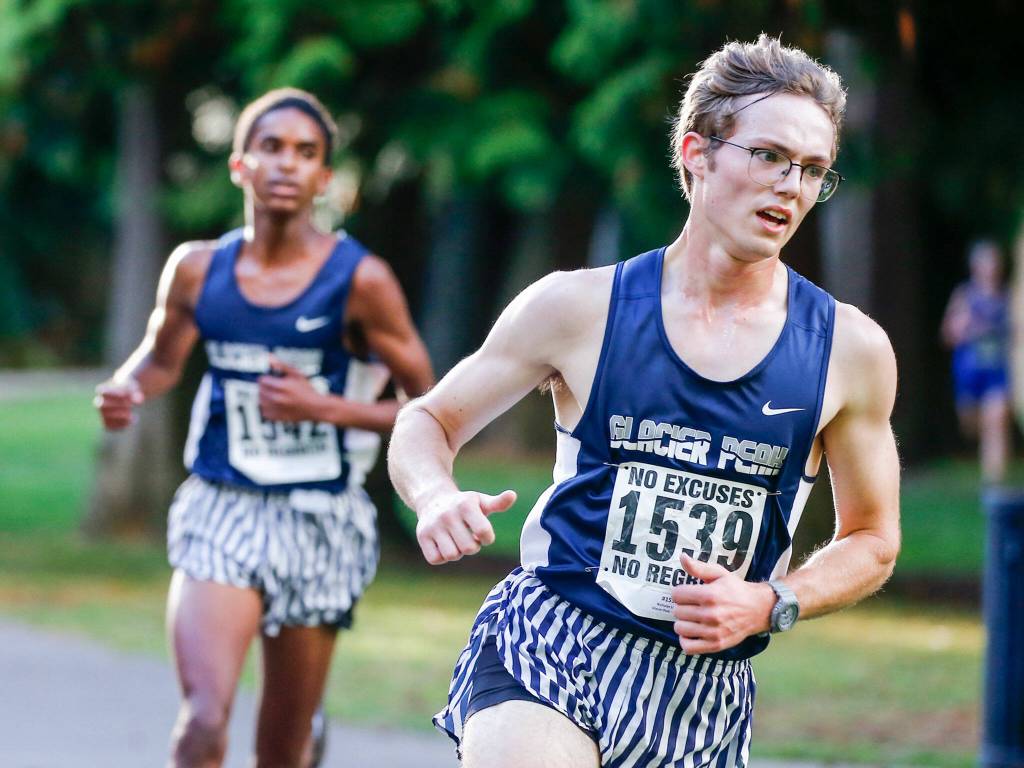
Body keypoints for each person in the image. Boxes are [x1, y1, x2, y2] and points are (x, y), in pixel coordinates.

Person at [388, 35, 900, 768]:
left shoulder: (848, 351)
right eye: (768, 156)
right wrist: (435, 496)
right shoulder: (578, 307)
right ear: (696, 153)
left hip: (700, 693)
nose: (791, 185)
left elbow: (874, 539)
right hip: (553, 643)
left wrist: (774, 601)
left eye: (813, 170)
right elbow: (428, 420)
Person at [94, 88, 434, 768]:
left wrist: (327, 408)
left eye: (306, 153)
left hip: (319, 517)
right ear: (239, 166)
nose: (287, 164)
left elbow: (431, 403)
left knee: (281, 750)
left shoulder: (361, 279)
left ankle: (305, 742)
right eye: (270, 147)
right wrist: (128, 388)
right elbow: (160, 361)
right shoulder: (197, 270)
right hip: (223, 505)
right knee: (202, 724)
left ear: (324, 178)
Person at [941, 239, 1010, 484]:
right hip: (969, 370)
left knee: (997, 419)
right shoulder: (965, 295)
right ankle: (986, 460)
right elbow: (948, 333)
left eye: (993, 262)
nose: (990, 267)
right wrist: (968, 327)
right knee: (971, 424)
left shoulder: (1008, 296)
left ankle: (993, 483)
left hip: (998, 370)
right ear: (975, 267)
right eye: (985, 262)